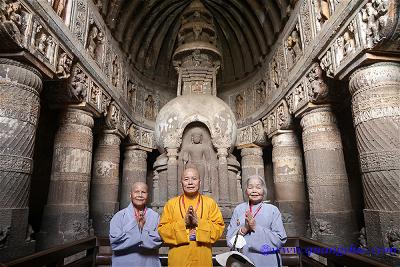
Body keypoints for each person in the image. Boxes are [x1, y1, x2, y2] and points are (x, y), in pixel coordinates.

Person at [158, 167, 225, 266]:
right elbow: (162, 230)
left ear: (200, 182)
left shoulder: (210, 203)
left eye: (194, 179)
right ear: (181, 183)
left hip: (203, 258)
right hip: (178, 259)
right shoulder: (171, 204)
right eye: (186, 179)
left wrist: (198, 223)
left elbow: (218, 228)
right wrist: (184, 225)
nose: (190, 182)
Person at [226, 175, 287, 267]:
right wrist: (244, 229)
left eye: (258, 187)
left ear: (264, 191)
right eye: (250, 187)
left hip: (266, 259)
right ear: (246, 191)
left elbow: (279, 240)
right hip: (243, 259)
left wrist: (255, 227)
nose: (254, 190)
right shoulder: (239, 209)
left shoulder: (272, 210)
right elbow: (229, 240)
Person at [109, 182, 162, 267]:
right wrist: (137, 227)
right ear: (130, 195)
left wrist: (142, 229)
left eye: (143, 192)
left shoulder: (155, 216)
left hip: (149, 262)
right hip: (123, 262)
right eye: (136, 192)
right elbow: (115, 243)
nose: (140, 195)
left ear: (147, 196)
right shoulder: (119, 216)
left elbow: (158, 241)